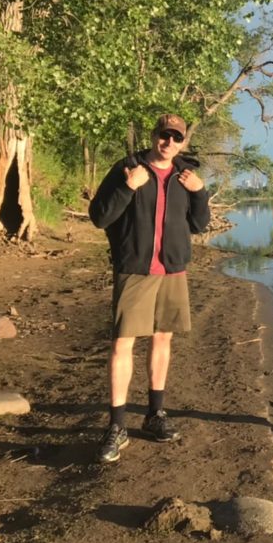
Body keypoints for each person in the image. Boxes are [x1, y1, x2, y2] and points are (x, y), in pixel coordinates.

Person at [89, 113, 210, 463]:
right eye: (164, 134)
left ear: (183, 142)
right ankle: (116, 426)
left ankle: (155, 415)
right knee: (122, 344)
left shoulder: (184, 176)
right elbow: (99, 217)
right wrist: (129, 186)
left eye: (176, 136)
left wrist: (199, 192)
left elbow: (200, 224)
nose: (169, 141)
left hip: (172, 270)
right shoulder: (128, 168)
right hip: (135, 269)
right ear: (153, 135)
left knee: (162, 339)